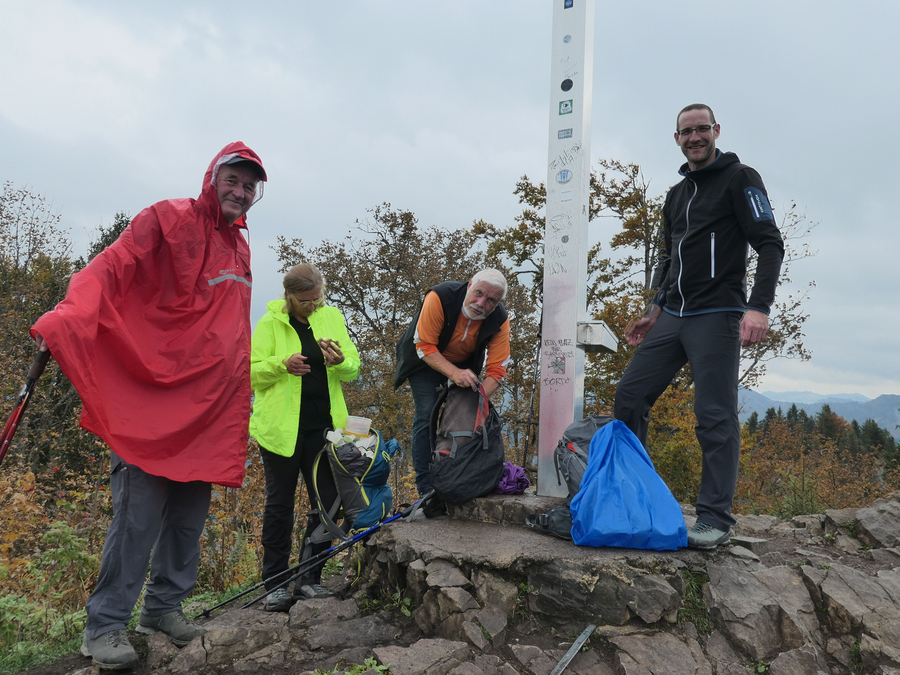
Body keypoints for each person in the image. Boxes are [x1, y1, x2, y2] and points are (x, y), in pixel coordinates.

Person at [31, 142, 267, 669]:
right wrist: (69, 315)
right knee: (137, 520)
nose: (241, 191)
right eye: (233, 179)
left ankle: (162, 608)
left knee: (187, 521)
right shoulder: (167, 218)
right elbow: (110, 268)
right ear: (212, 178)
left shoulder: (241, 249)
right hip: (156, 402)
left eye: (250, 185)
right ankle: (105, 626)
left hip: (209, 408)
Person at [613, 104, 784, 550]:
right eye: (686, 131)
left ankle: (715, 519)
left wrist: (759, 307)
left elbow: (769, 243)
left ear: (716, 131)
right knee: (629, 396)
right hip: (673, 315)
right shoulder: (676, 194)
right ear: (676, 139)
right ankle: (633, 496)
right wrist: (653, 309)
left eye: (701, 129)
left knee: (713, 415)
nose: (694, 137)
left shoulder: (740, 178)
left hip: (718, 313)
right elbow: (669, 257)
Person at [249, 263, 360, 612]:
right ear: (290, 297)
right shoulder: (270, 323)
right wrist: (281, 364)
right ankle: (276, 584)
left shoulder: (331, 317)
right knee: (279, 507)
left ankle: (310, 578)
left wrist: (340, 361)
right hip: (280, 431)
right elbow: (249, 373)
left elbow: (354, 367)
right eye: (305, 301)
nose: (313, 306)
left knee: (327, 504)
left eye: (317, 298)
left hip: (324, 430)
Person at [394, 269, 511, 511]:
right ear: (470, 286)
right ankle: (426, 488)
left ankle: (455, 479)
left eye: (491, 300)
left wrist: (475, 402)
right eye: (479, 294)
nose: (482, 304)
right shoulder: (440, 296)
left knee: (465, 420)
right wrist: (454, 374)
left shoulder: (500, 318)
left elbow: (497, 370)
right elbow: (425, 345)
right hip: (425, 359)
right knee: (427, 415)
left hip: (465, 365)